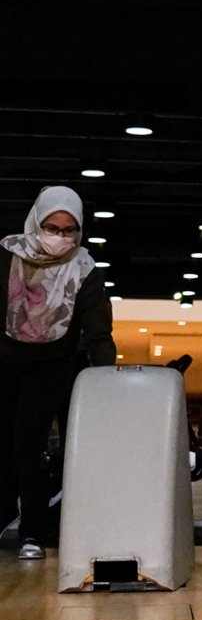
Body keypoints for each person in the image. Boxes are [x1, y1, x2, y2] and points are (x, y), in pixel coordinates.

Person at [0, 186, 115, 559]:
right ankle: (5, 514)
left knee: (28, 443)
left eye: (69, 230)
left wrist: (108, 378)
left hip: (51, 363)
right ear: (37, 222)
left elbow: (98, 332)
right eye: (52, 228)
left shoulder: (84, 270)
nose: (60, 237)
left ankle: (32, 532)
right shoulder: (8, 256)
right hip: (4, 358)